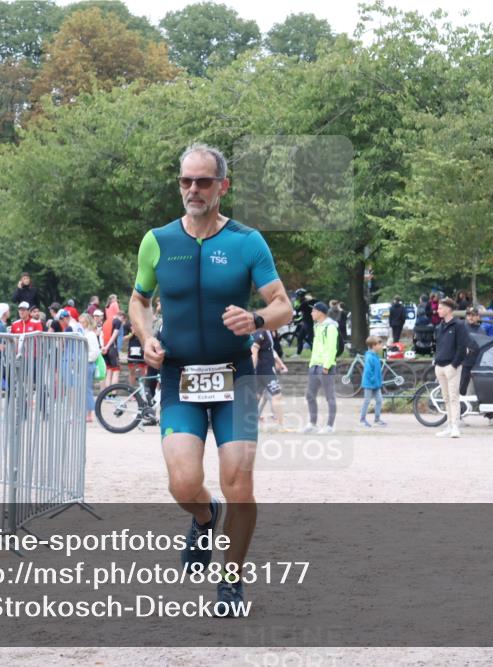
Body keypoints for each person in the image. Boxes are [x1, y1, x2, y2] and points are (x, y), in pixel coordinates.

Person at [128, 143, 292, 615]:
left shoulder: (246, 242)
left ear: (224, 186)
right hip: (180, 376)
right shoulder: (156, 241)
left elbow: (282, 303)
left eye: (203, 181)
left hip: (234, 376)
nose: (193, 190)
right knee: (183, 484)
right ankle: (204, 516)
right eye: (186, 181)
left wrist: (258, 321)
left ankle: (231, 581)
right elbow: (139, 299)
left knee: (238, 481)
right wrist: (145, 335)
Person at [433, 297, 470, 438]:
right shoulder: (440, 326)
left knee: (454, 397)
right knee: (446, 397)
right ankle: (449, 424)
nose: (438, 310)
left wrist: (454, 364)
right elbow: (438, 346)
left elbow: (462, 347)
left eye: (441, 308)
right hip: (440, 366)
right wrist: (436, 361)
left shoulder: (459, 325)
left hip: (451, 366)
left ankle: (455, 426)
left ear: (449, 309)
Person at [304, 302, 339, 434]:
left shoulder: (330, 327)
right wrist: (312, 364)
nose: (311, 313)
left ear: (320, 312)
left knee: (329, 397)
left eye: (313, 311)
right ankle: (312, 423)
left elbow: (331, 348)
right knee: (310, 395)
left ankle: (329, 426)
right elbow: (316, 348)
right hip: (314, 365)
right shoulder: (317, 327)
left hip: (325, 366)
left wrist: (327, 365)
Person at [251, 327, 288, 431]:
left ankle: (248, 422)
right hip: (265, 371)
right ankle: (281, 424)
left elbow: (271, 351)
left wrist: (279, 363)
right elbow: (254, 351)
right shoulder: (261, 332)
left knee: (257, 396)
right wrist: (252, 369)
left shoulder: (267, 331)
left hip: (265, 369)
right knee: (277, 395)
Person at [78, 313, 102, 423]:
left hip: (88, 363)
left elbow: (95, 352)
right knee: (85, 389)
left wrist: (85, 359)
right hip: (86, 363)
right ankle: (87, 412)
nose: (81, 324)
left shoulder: (90, 334)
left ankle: (89, 414)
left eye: (82, 322)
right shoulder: (87, 333)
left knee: (87, 389)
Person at [359, 336, 386, 427]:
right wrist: (374, 381)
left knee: (379, 401)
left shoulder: (376, 355)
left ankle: (377, 420)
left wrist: (377, 382)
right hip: (369, 384)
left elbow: (385, 357)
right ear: (374, 345)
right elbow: (368, 371)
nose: (381, 346)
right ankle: (362, 420)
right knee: (366, 401)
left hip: (376, 384)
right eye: (380, 344)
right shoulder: (370, 357)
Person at [460, 306, 485, 396]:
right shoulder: (461, 326)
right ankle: (460, 405)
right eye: (468, 315)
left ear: (478, 317)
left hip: (477, 361)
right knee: (462, 385)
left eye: (473, 315)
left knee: (479, 386)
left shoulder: (481, 330)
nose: (470, 317)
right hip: (464, 361)